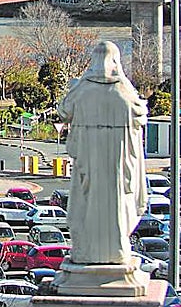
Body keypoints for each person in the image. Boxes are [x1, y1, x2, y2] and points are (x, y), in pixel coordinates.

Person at [57, 41, 147, 266]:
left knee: (86, 205)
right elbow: (141, 113)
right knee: (117, 206)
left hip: (88, 165)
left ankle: (87, 250)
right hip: (118, 166)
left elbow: (64, 110)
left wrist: (80, 84)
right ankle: (115, 249)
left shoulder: (83, 91)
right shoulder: (124, 92)